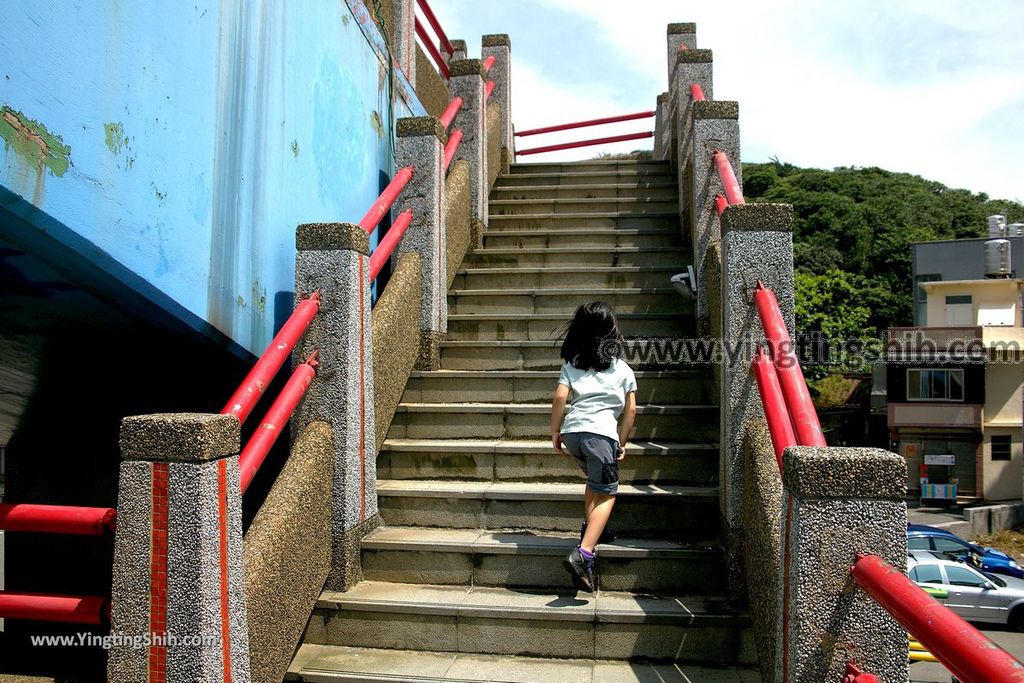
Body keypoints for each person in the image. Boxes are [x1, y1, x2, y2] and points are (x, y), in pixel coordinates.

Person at [550, 301, 637, 592]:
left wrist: (555, 433)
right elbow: (631, 411)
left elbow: (560, 399)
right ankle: (584, 553)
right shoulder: (622, 369)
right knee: (610, 492)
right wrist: (621, 443)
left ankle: (593, 527)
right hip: (601, 436)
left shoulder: (572, 364)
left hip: (574, 434)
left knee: (595, 483)